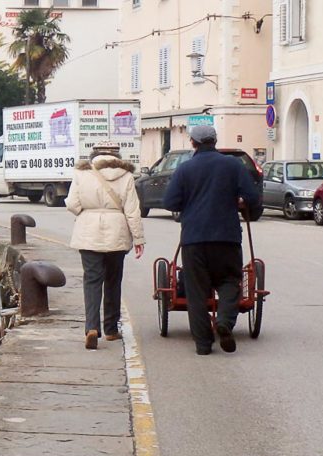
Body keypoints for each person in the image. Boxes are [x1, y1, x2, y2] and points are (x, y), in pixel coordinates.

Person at [162, 125, 260, 355]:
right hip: (227, 236)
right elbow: (253, 197)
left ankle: (203, 345)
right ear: (214, 141)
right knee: (229, 282)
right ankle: (224, 322)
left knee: (196, 292)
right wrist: (241, 203)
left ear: (193, 143)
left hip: (194, 239)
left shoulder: (185, 169)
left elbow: (170, 203)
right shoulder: (233, 165)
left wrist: (189, 204)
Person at [66, 141, 145, 350]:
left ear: (94, 154)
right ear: (117, 155)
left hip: (88, 231)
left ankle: (91, 327)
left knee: (92, 280)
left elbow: (72, 204)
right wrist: (138, 239)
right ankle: (110, 329)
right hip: (117, 232)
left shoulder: (82, 173)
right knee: (113, 280)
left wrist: (88, 212)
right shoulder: (126, 176)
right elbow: (132, 211)